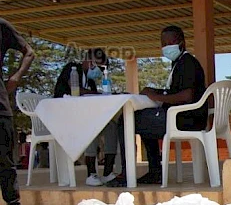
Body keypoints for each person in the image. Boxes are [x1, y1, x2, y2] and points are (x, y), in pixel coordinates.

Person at [108, 25, 207, 186]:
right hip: (186, 117)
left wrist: (155, 96)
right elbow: (176, 90)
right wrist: (155, 91)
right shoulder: (179, 62)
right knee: (143, 118)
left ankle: (127, 174)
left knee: (126, 121)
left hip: (186, 119)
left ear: (182, 42)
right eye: (163, 43)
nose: (166, 47)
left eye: (171, 42)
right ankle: (155, 172)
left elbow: (186, 95)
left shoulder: (187, 63)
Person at [53, 48, 120, 186]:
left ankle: (107, 172)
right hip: (65, 117)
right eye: (99, 67)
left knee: (111, 125)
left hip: (85, 117)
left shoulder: (90, 81)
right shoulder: (71, 69)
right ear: (88, 61)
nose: (100, 72)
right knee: (91, 125)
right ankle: (91, 173)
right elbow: (76, 90)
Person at [0, 18, 35, 205]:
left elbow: (29, 52)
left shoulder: (2, 27)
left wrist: (16, 77)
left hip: (0, 104)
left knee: (4, 157)